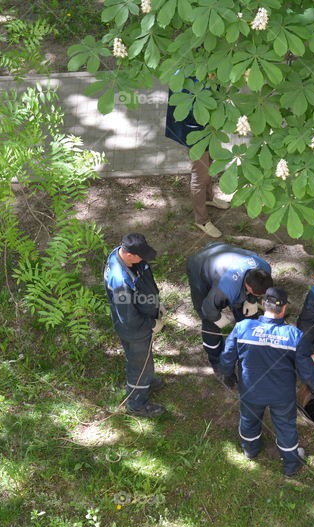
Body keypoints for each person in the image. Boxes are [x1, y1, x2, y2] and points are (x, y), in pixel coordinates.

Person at [218, 287, 314, 477]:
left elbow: (227, 356)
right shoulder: (294, 335)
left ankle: (250, 450)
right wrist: (313, 386)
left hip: (251, 390)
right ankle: (290, 463)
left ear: (263, 305)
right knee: (285, 426)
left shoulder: (243, 327)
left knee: (249, 420)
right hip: (281, 394)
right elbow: (306, 368)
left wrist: (227, 373)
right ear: (283, 309)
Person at [103, 233, 166, 417]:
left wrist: (154, 304)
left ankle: (146, 381)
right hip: (135, 331)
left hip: (142, 322)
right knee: (139, 364)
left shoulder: (123, 256)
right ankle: (136, 403)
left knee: (144, 358)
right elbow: (128, 317)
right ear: (129, 255)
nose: (143, 259)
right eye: (141, 256)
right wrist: (151, 324)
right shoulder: (119, 281)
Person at [186, 242, 273, 370]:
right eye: (256, 294)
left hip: (222, 255)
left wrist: (252, 299)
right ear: (248, 287)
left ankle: (248, 343)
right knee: (210, 323)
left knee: (246, 313)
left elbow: (256, 289)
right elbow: (208, 308)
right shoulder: (225, 289)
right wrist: (216, 318)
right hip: (200, 266)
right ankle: (217, 363)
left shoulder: (265, 268)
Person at [165, 74, 230, 238]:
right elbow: (191, 111)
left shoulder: (202, 68)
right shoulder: (184, 76)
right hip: (195, 131)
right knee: (200, 174)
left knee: (209, 164)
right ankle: (201, 219)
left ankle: (208, 197)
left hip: (208, 128)